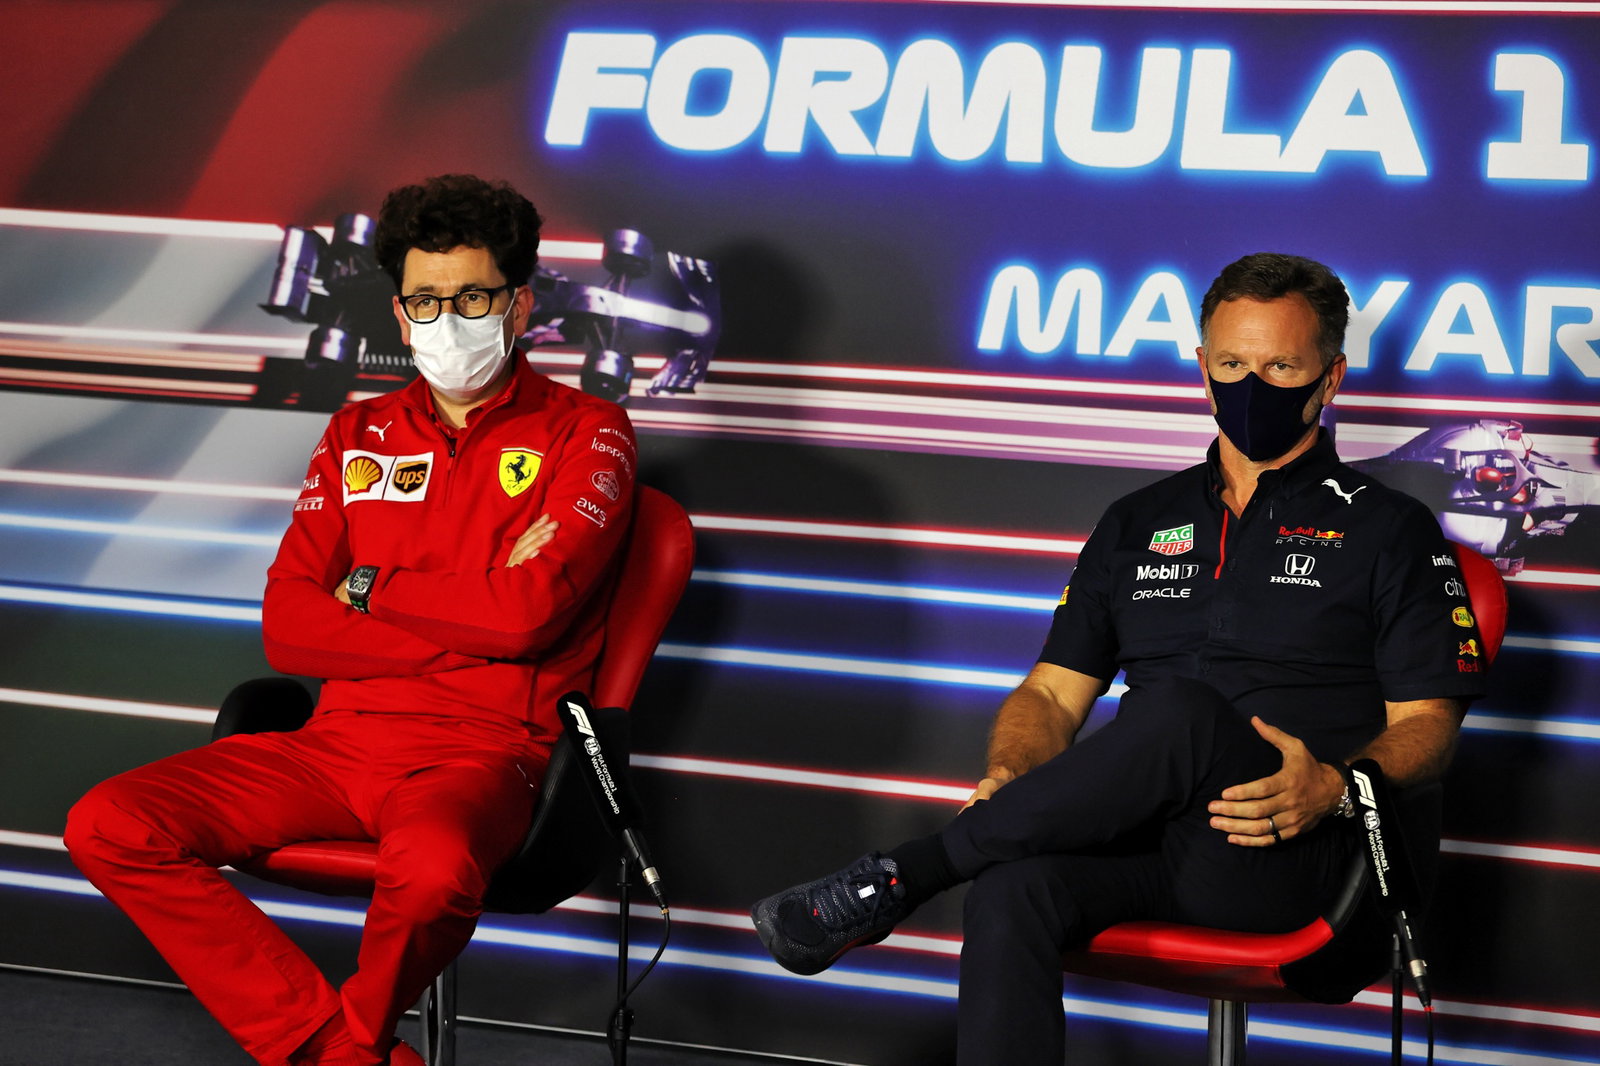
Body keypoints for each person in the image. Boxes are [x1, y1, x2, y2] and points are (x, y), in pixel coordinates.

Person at [751, 253, 1488, 1065]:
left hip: (1293, 856)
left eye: (1281, 366)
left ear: (1331, 377)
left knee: (1180, 709)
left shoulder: (1391, 530)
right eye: (1234, 364)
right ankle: (945, 868)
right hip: (1146, 845)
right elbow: (1052, 696)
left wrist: (1340, 790)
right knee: (1010, 891)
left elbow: (1429, 730)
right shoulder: (1138, 519)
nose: (1252, 386)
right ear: (1202, 369)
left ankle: (908, 873)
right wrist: (1015, 774)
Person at [65, 174, 638, 1066]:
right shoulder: (355, 434)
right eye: (425, 300)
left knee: (437, 871)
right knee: (110, 822)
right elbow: (290, 628)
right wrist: (469, 611)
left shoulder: (590, 430)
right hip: (334, 745)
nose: (447, 321)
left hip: (485, 753)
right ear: (401, 313)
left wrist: (368, 586)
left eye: (474, 296)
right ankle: (342, 1050)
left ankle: (348, 1048)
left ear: (519, 304)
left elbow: (527, 619)